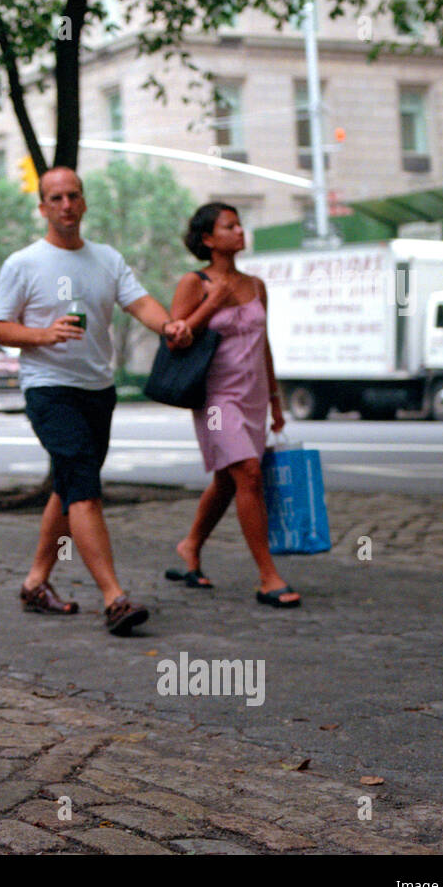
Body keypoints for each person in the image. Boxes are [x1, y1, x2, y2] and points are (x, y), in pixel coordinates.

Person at [0, 166, 193, 636]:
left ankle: (35, 583)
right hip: (48, 387)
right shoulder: (23, 263)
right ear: (42, 208)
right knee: (85, 489)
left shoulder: (106, 259)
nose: (65, 205)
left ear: (83, 202)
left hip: (97, 389)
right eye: (55, 198)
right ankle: (114, 598)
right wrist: (43, 334)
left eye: (72, 196)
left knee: (69, 484)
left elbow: (140, 303)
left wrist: (168, 327)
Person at [165, 202, 301, 608]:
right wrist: (213, 303)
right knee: (249, 473)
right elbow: (175, 338)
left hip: (254, 396)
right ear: (208, 239)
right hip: (214, 397)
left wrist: (276, 400)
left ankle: (190, 546)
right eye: (229, 226)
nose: (239, 231)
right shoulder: (195, 282)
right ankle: (268, 576)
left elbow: (264, 346)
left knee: (229, 480)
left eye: (240, 225)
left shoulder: (257, 285)